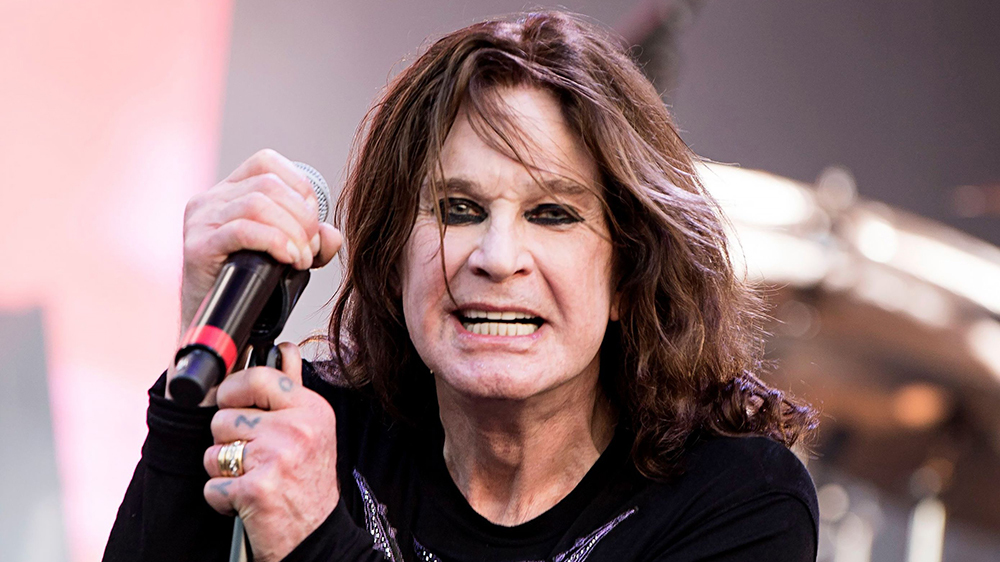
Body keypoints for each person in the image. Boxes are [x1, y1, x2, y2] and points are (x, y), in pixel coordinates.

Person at [105, 11, 819, 562]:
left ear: (630, 274)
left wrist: (316, 540)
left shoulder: (737, 498)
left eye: (552, 214)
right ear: (393, 254)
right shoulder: (317, 434)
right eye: (458, 209)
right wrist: (197, 386)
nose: (497, 258)